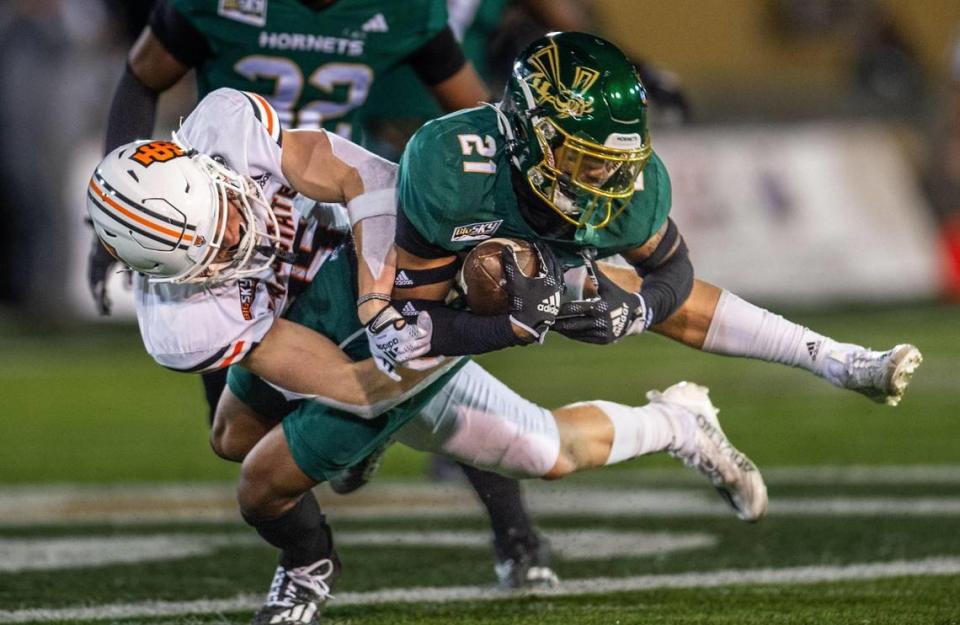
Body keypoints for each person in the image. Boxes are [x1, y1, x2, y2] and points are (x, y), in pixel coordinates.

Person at [87, 87, 768, 625]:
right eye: (217, 246)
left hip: (386, 278)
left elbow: (374, 181)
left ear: (200, 165)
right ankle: (341, 493)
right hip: (363, 349)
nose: (242, 232)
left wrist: (389, 303)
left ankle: (680, 422)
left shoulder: (227, 127)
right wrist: (479, 332)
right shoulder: (180, 323)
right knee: (232, 434)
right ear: (169, 276)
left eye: (230, 210)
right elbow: (355, 385)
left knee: (545, 454)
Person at [90, 0, 555, 588]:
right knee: (239, 436)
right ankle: (318, 533)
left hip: (330, 205)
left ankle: (513, 532)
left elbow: (469, 107)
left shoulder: (404, 12)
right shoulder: (217, 12)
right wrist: (119, 222)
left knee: (415, 347)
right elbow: (144, 74)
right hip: (208, 220)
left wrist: (505, 187)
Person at [388, 32, 921, 423]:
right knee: (526, 446)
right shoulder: (451, 166)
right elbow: (408, 319)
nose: (605, 177)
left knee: (607, 293)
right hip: (393, 295)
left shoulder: (623, 182)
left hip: (522, 267)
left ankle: (833, 358)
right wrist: (509, 327)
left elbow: (672, 271)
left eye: (615, 161)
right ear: (532, 132)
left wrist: (639, 311)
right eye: (583, 158)